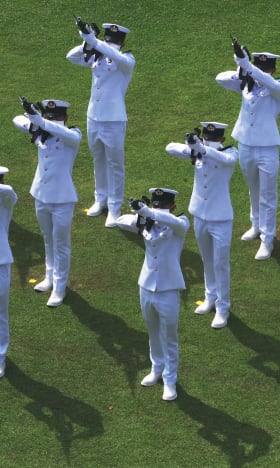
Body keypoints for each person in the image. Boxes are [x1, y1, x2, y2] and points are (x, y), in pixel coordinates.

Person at [216, 37, 280, 260]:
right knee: (253, 187)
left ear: (273, 69)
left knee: (268, 194)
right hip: (245, 143)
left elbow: (273, 85)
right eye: (260, 67)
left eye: (266, 68)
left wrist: (250, 68)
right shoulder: (246, 84)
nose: (263, 71)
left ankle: (267, 239)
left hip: (267, 148)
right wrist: (241, 69)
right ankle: (256, 225)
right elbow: (219, 78)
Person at [115, 188, 190, 401]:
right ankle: (157, 368)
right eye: (156, 206)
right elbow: (119, 221)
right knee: (153, 331)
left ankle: (170, 380)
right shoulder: (147, 222)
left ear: (172, 207)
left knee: (170, 336)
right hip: (146, 286)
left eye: (163, 206)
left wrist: (149, 212)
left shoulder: (180, 223)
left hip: (168, 289)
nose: (158, 209)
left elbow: (172, 221)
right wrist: (139, 217)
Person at [166, 122, 238, 329]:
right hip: (200, 214)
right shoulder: (196, 152)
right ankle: (210, 297)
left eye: (213, 138)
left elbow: (226, 159)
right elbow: (169, 148)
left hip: (221, 218)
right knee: (207, 260)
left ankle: (223, 308)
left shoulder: (229, 152)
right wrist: (191, 147)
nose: (209, 140)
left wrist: (203, 149)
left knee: (220, 263)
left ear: (222, 139)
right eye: (206, 137)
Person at [12, 99, 81, 307]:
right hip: (41, 194)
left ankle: (60, 288)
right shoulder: (40, 130)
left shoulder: (72, 134)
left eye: (56, 116)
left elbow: (64, 133)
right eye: (49, 116)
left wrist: (41, 121)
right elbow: (16, 120)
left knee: (61, 244)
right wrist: (35, 121)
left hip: (62, 199)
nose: (52, 119)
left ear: (65, 118)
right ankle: (49, 277)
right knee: (47, 240)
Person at [66, 20, 134, 228]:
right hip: (93, 117)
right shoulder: (96, 55)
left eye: (113, 41)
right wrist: (87, 43)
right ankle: (100, 199)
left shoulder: (126, 59)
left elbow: (115, 56)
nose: (109, 43)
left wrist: (94, 41)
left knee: (115, 165)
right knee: (98, 160)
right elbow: (72, 56)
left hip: (113, 119)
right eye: (107, 39)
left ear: (120, 42)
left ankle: (114, 207)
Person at [0, 167, 17, 379]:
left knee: (0, 314)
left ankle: (0, 357)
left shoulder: (4, 203)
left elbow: (10, 192)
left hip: (1, 263)